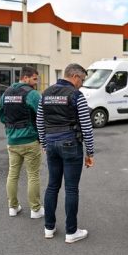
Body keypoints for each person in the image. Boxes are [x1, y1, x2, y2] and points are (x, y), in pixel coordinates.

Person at [36, 63, 94, 243]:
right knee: (71, 189)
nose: (82, 84)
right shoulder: (77, 95)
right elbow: (86, 125)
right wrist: (90, 152)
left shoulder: (44, 94)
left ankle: (49, 228)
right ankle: (71, 232)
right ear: (75, 76)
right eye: (82, 80)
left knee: (52, 186)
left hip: (51, 144)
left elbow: (39, 121)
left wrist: (45, 143)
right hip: (70, 144)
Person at [0, 66, 44, 219]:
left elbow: (2, 117)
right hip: (30, 140)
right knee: (33, 175)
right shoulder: (32, 94)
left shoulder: (5, 93)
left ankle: (12, 207)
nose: (36, 83)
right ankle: (35, 210)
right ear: (25, 78)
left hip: (12, 141)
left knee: (12, 175)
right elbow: (42, 115)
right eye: (34, 79)